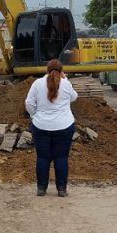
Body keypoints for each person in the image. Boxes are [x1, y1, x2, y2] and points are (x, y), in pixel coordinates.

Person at [24, 59, 78, 197]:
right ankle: (61, 189)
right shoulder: (66, 84)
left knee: (42, 158)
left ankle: (41, 188)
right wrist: (65, 79)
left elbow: (29, 103)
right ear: (61, 71)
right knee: (61, 158)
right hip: (64, 126)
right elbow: (74, 97)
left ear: (47, 70)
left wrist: (34, 115)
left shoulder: (37, 84)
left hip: (41, 126)